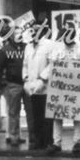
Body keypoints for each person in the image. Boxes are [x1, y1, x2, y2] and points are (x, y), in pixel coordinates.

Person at [46, 20, 80, 155]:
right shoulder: (57, 50)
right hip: (59, 88)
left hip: (76, 88)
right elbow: (51, 66)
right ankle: (56, 143)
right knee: (57, 116)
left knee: (77, 116)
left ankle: (77, 143)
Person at [22, 19, 56, 151]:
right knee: (36, 115)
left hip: (45, 86)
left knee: (47, 116)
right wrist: (25, 79)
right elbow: (25, 65)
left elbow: (52, 64)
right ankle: (38, 141)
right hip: (32, 86)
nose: (34, 32)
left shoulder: (49, 45)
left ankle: (48, 142)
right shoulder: (28, 46)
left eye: (36, 30)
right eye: (32, 30)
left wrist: (43, 79)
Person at [0, 23, 27, 148]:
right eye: (16, 33)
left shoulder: (27, 48)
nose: (19, 35)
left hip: (27, 83)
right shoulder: (4, 50)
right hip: (13, 84)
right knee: (13, 112)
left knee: (28, 112)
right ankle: (13, 136)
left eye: (20, 33)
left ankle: (20, 135)